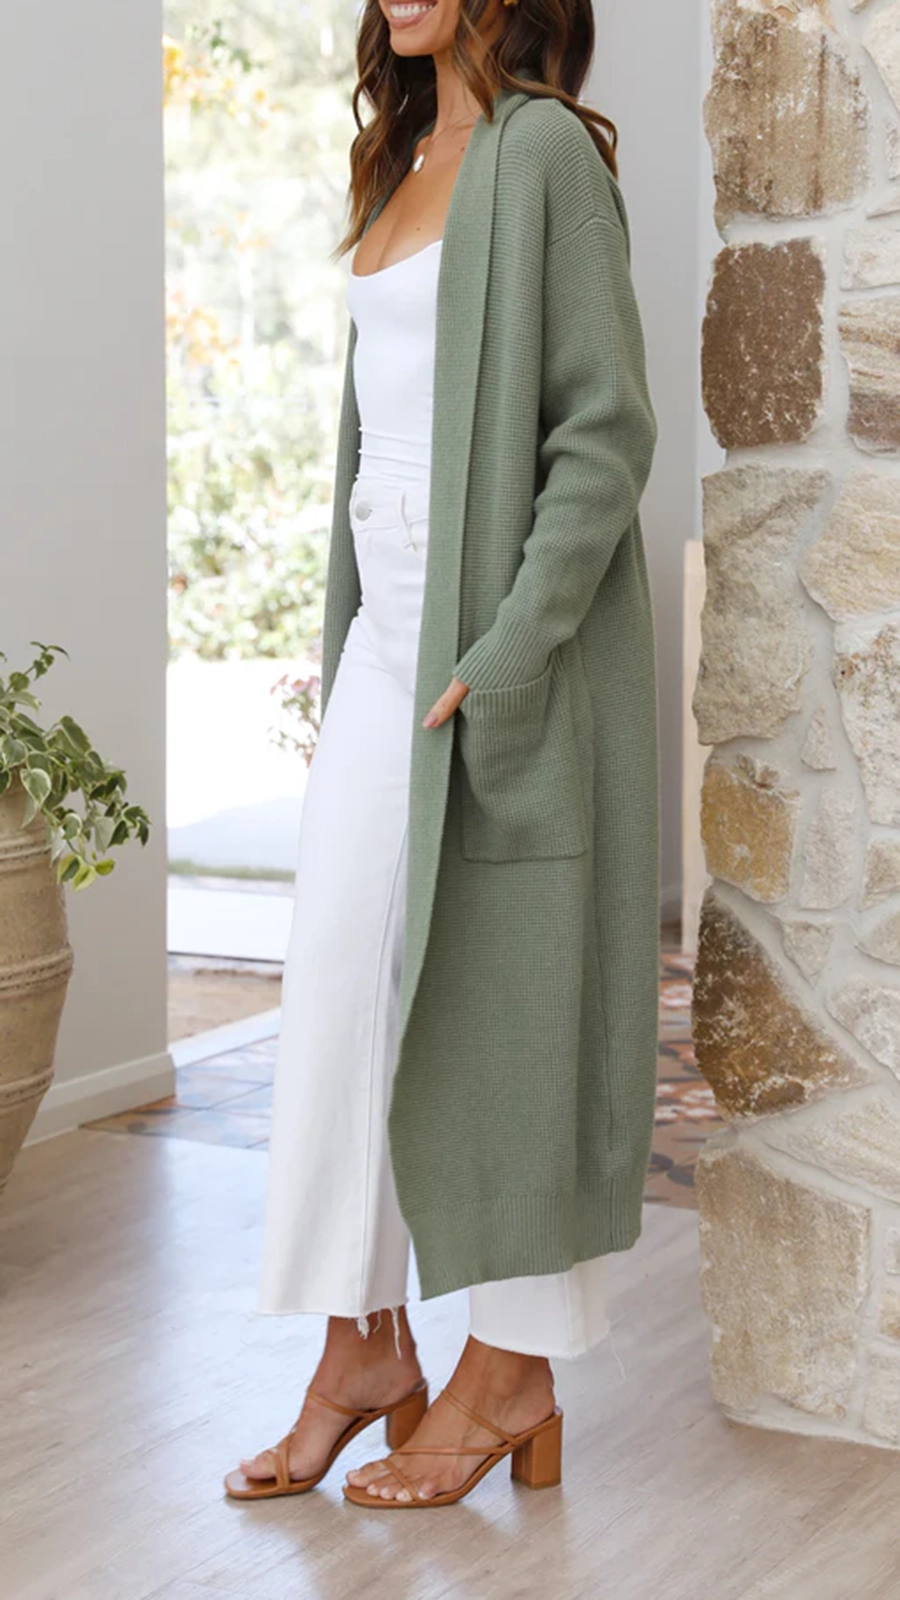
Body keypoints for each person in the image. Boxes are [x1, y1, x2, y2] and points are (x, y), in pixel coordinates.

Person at [224, 0, 659, 1511]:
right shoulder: (400, 155)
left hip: (499, 652)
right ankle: (361, 1351)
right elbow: (379, 438)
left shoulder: (547, 160)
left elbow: (604, 435)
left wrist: (508, 646)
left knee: (516, 1009)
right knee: (342, 987)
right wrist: (350, 635)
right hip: (382, 639)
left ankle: (511, 1369)